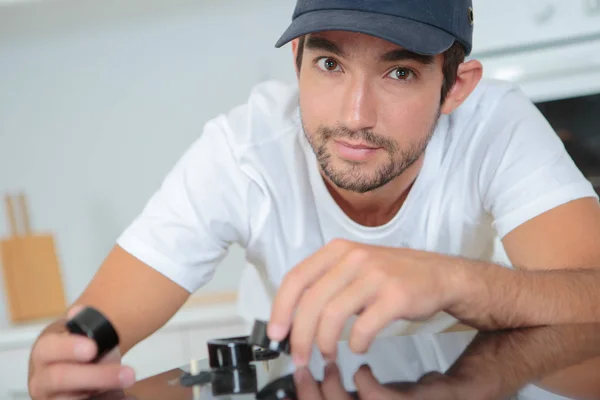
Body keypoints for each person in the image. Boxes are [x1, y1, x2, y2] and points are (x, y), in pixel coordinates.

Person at [27, 0, 600, 398]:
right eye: (329, 64)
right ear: (296, 58)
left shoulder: (497, 124)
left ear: (455, 87)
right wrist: (56, 359)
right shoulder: (240, 149)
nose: (355, 116)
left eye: (399, 72)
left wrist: (454, 280)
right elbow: (85, 332)